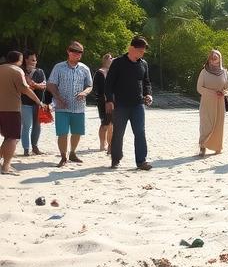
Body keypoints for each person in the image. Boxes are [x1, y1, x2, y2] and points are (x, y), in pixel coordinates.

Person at [105, 36, 154, 171]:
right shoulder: (118, 63)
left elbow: (146, 82)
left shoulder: (143, 64)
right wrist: (109, 100)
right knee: (118, 133)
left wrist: (148, 94)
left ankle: (141, 161)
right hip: (120, 104)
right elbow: (108, 83)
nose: (142, 53)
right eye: (140, 50)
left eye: (143, 51)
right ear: (131, 48)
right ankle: (116, 159)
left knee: (140, 132)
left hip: (138, 104)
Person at [47, 41, 94, 168]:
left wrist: (84, 92)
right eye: (74, 51)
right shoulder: (59, 67)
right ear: (68, 51)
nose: (77, 54)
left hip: (78, 107)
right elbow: (51, 84)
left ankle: (73, 153)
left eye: (80, 52)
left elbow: (89, 85)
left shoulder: (85, 68)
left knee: (77, 132)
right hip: (62, 106)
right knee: (62, 132)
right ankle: (63, 156)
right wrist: (58, 97)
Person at [1, 51, 41, 175]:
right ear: (19, 59)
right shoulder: (17, 71)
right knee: (13, 138)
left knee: (8, 138)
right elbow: (25, 89)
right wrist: (38, 101)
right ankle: (6, 166)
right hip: (11, 109)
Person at [197, 49, 228, 155]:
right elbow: (199, 88)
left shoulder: (224, 72)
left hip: (220, 103)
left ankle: (217, 147)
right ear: (209, 59)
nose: (213, 59)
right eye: (212, 57)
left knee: (218, 125)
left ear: (220, 59)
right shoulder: (204, 71)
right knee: (206, 124)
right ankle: (203, 146)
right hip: (207, 102)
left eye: (216, 57)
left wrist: (224, 92)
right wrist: (211, 93)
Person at [20, 51, 46, 156]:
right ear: (26, 60)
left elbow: (44, 86)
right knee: (27, 125)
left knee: (37, 125)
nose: (35, 61)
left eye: (35, 60)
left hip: (38, 102)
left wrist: (33, 84)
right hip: (25, 102)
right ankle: (26, 149)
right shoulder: (21, 71)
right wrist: (35, 85)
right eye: (33, 59)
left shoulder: (40, 71)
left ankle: (35, 147)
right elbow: (25, 86)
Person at [92, 53, 113, 153]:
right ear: (105, 60)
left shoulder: (113, 72)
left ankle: (110, 144)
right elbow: (95, 88)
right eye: (110, 58)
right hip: (102, 101)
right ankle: (102, 144)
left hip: (113, 101)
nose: (111, 60)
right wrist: (102, 97)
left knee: (112, 124)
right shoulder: (99, 72)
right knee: (105, 123)